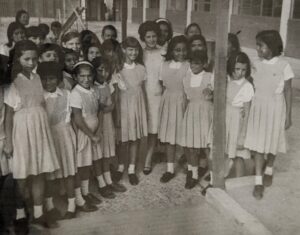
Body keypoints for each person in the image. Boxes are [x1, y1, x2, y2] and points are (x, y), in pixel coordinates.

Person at [4, 40, 60, 228]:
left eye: (34, 59)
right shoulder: (14, 82)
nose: (31, 62)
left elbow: (42, 103)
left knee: (39, 171)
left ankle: (38, 212)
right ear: (18, 59)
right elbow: (9, 115)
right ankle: (20, 214)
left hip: (39, 129)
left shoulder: (37, 78)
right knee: (22, 174)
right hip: (22, 131)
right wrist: (9, 143)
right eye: (27, 59)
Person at [244, 30, 294, 199]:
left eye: (261, 46)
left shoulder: (284, 65)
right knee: (258, 144)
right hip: (258, 107)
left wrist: (288, 116)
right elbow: (249, 86)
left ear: (272, 47)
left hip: (275, 107)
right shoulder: (256, 65)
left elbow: (287, 91)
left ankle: (269, 169)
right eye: (257, 45)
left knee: (273, 141)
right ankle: (258, 182)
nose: (257, 49)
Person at [70, 61, 114, 202]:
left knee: (97, 159)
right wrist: (90, 135)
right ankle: (84, 192)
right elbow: (77, 118)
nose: (86, 79)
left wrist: (99, 130)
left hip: (95, 132)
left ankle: (102, 185)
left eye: (89, 76)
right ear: (76, 77)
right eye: (82, 76)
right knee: (84, 164)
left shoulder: (94, 89)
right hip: (84, 133)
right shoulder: (76, 93)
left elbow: (99, 110)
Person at [112, 37, 148, 185]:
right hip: (123, 107)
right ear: (123, 50)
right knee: (123, 140)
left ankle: (132, 169)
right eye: (130, 50)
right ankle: (121, 167)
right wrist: (118, 114)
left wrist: (144, 109)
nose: (133, 53)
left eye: (136, 50)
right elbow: (115, 95)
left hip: (137, 106)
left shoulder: (141, 68)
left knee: (135, 139)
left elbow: (143, 90)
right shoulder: (117, 69)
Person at [92, 56, 127, 193]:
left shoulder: (107, 86)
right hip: (97, 125)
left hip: (107, 123)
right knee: (98, 155)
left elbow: (111, 105)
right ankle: (101, 183)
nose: (104, 73)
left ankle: (109, 180)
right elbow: (100, 108)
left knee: (107, 153)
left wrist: (109, 107)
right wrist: (106, 107)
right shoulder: (92, 88)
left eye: (106, 70)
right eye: (100, 70)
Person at [180, 50, 213, 189]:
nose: (193, 65)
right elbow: (186, 99)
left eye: (197, 63)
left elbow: (214, 95)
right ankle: (193, 174)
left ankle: (213, 177)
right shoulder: (186, 78)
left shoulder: (210, 77)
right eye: (192, 62)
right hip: (192, 113)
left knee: (207, 147)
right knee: (191, 147)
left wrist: (211, 93)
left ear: (204, 64)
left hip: (206, 114)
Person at [158, 35, 189, 183]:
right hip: (169, 101)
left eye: (184, 50)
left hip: (184, 101)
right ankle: (170, 169)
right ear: (172, 51)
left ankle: (190, 168)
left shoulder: (189, 65)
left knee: (185, 136)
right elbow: (163, 84)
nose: (181, 53)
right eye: (177, 50)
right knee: (170, 138)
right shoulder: (164, 65)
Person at [138, 21, 164, 175]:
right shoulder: (140, 53)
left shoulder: (163, 52)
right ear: (143, 37)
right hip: (143, 93)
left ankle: (148, 158)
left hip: (158, 94)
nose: (152, 39)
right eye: (148, 36)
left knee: (154, 128)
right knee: (144, 127)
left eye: (154, 36)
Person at [226, 52, 254, 177]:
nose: (240, 73)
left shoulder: (247, 86)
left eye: (244, 70)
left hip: (237, 121)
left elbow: (247, 111)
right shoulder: (226, 80)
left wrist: (243, 134)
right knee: (224, 152)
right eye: (237, 69)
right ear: (231, 67)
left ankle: (239, 182)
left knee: (238, 155)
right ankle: (217, 181)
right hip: (226, 118)